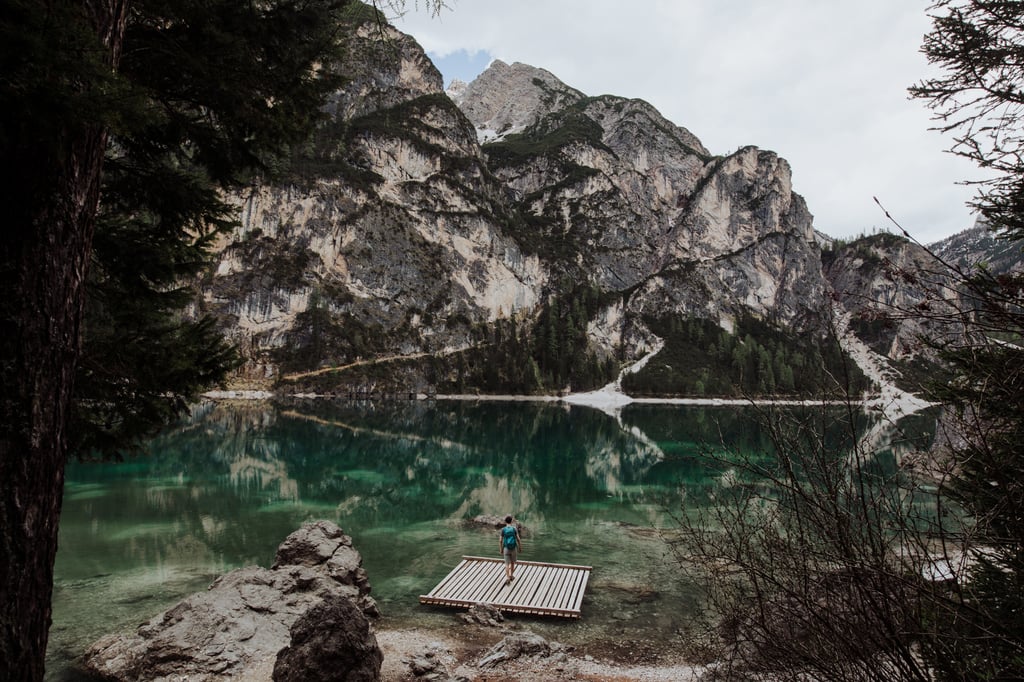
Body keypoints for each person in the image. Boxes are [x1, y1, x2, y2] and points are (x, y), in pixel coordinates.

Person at [499, 515, 522, 584]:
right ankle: (511, 575)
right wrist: (520, 548)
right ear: (511, 521)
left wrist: (501, 549)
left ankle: (508, 577)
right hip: (513, 548)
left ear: (505, 521)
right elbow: (518, 539)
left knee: (506, 564)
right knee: (512, 563)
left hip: (506, 548)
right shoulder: (514, 529)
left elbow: (500, 540)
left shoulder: (503, 530)